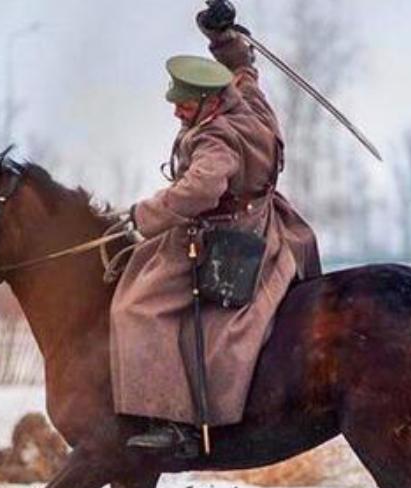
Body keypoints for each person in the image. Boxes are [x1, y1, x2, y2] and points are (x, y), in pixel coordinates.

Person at [110, 0, 321, 455]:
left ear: (207, 100)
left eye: (183, 104)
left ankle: (172, 423)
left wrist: (142, 215)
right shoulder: (247, 104)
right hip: (271, 224)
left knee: (137, 307)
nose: (176, 112)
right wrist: (221, 36)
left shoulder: (216, 137)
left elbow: (199, 192)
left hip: (226, 237)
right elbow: (243, 68)